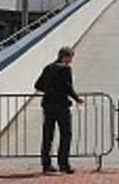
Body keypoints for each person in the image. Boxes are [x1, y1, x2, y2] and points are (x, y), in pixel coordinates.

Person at [35, 46, 84, 174]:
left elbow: (38, 85)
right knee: (66, 135)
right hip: (61, 105)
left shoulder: (48, 67)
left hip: (48, 105)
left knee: (48, 135)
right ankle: (64, 164)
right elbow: (68, 87)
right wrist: (77, 99)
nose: (71, 61)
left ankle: (46, 165)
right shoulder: (66, 69)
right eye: (71, 57)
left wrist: (50, 89)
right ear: (66, 56)